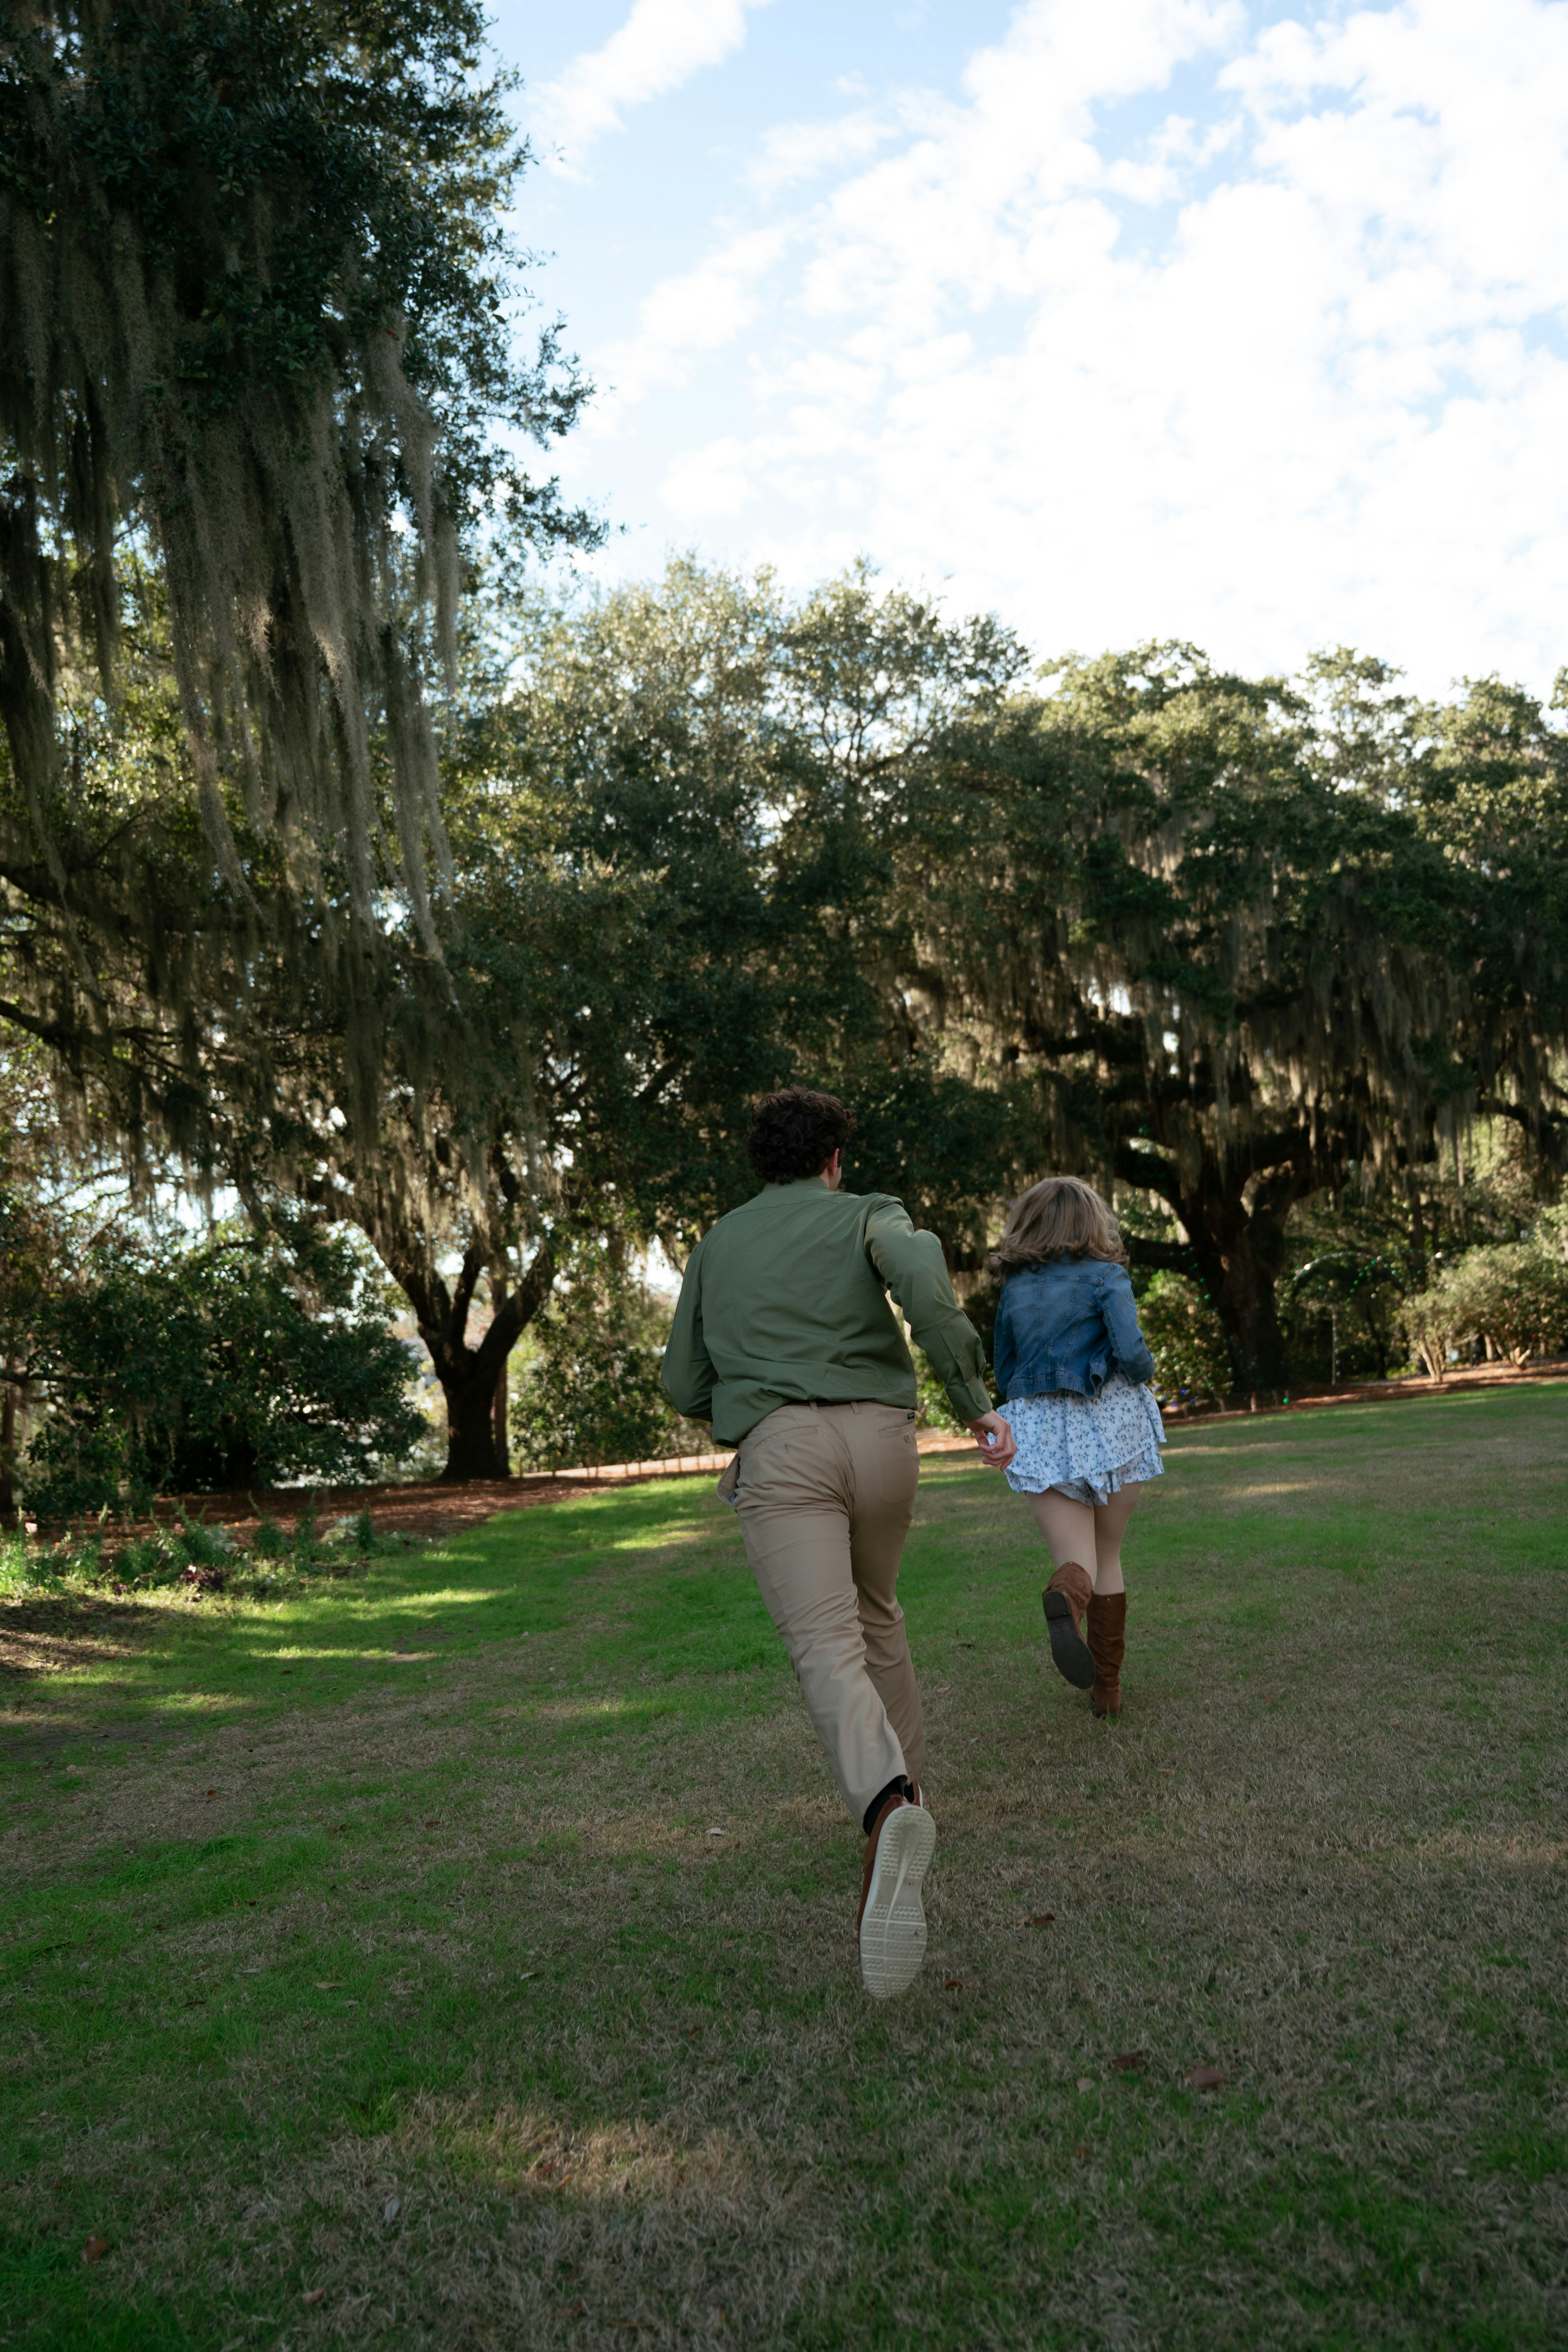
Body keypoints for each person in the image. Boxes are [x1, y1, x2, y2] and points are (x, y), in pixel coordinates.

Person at [660, 1087, 1017, 1999]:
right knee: (877, 1617)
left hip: (781, 1448)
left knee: (825, 1646)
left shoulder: (716, 1244)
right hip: (884, 1442)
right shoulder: (871, 1214)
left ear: (762, 1162)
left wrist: (742, 1409)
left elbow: (681, 1380)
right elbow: (924, 1281)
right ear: (834, 1160)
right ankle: (910, 1803)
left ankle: (886, 1801)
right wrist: (975, 1404)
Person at [990, 1176, 1166, 1720]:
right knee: (1109, 1556)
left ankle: (1066, 1599)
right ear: (1093, 1223)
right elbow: (1132, 1353)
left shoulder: (1015, 1287)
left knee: (1076, 1561)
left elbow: (1003, 1365)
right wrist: (1146, 1373)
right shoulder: (1107, 1276)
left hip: (1039, 1425)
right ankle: (1106, 1691)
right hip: (1110, 1420)